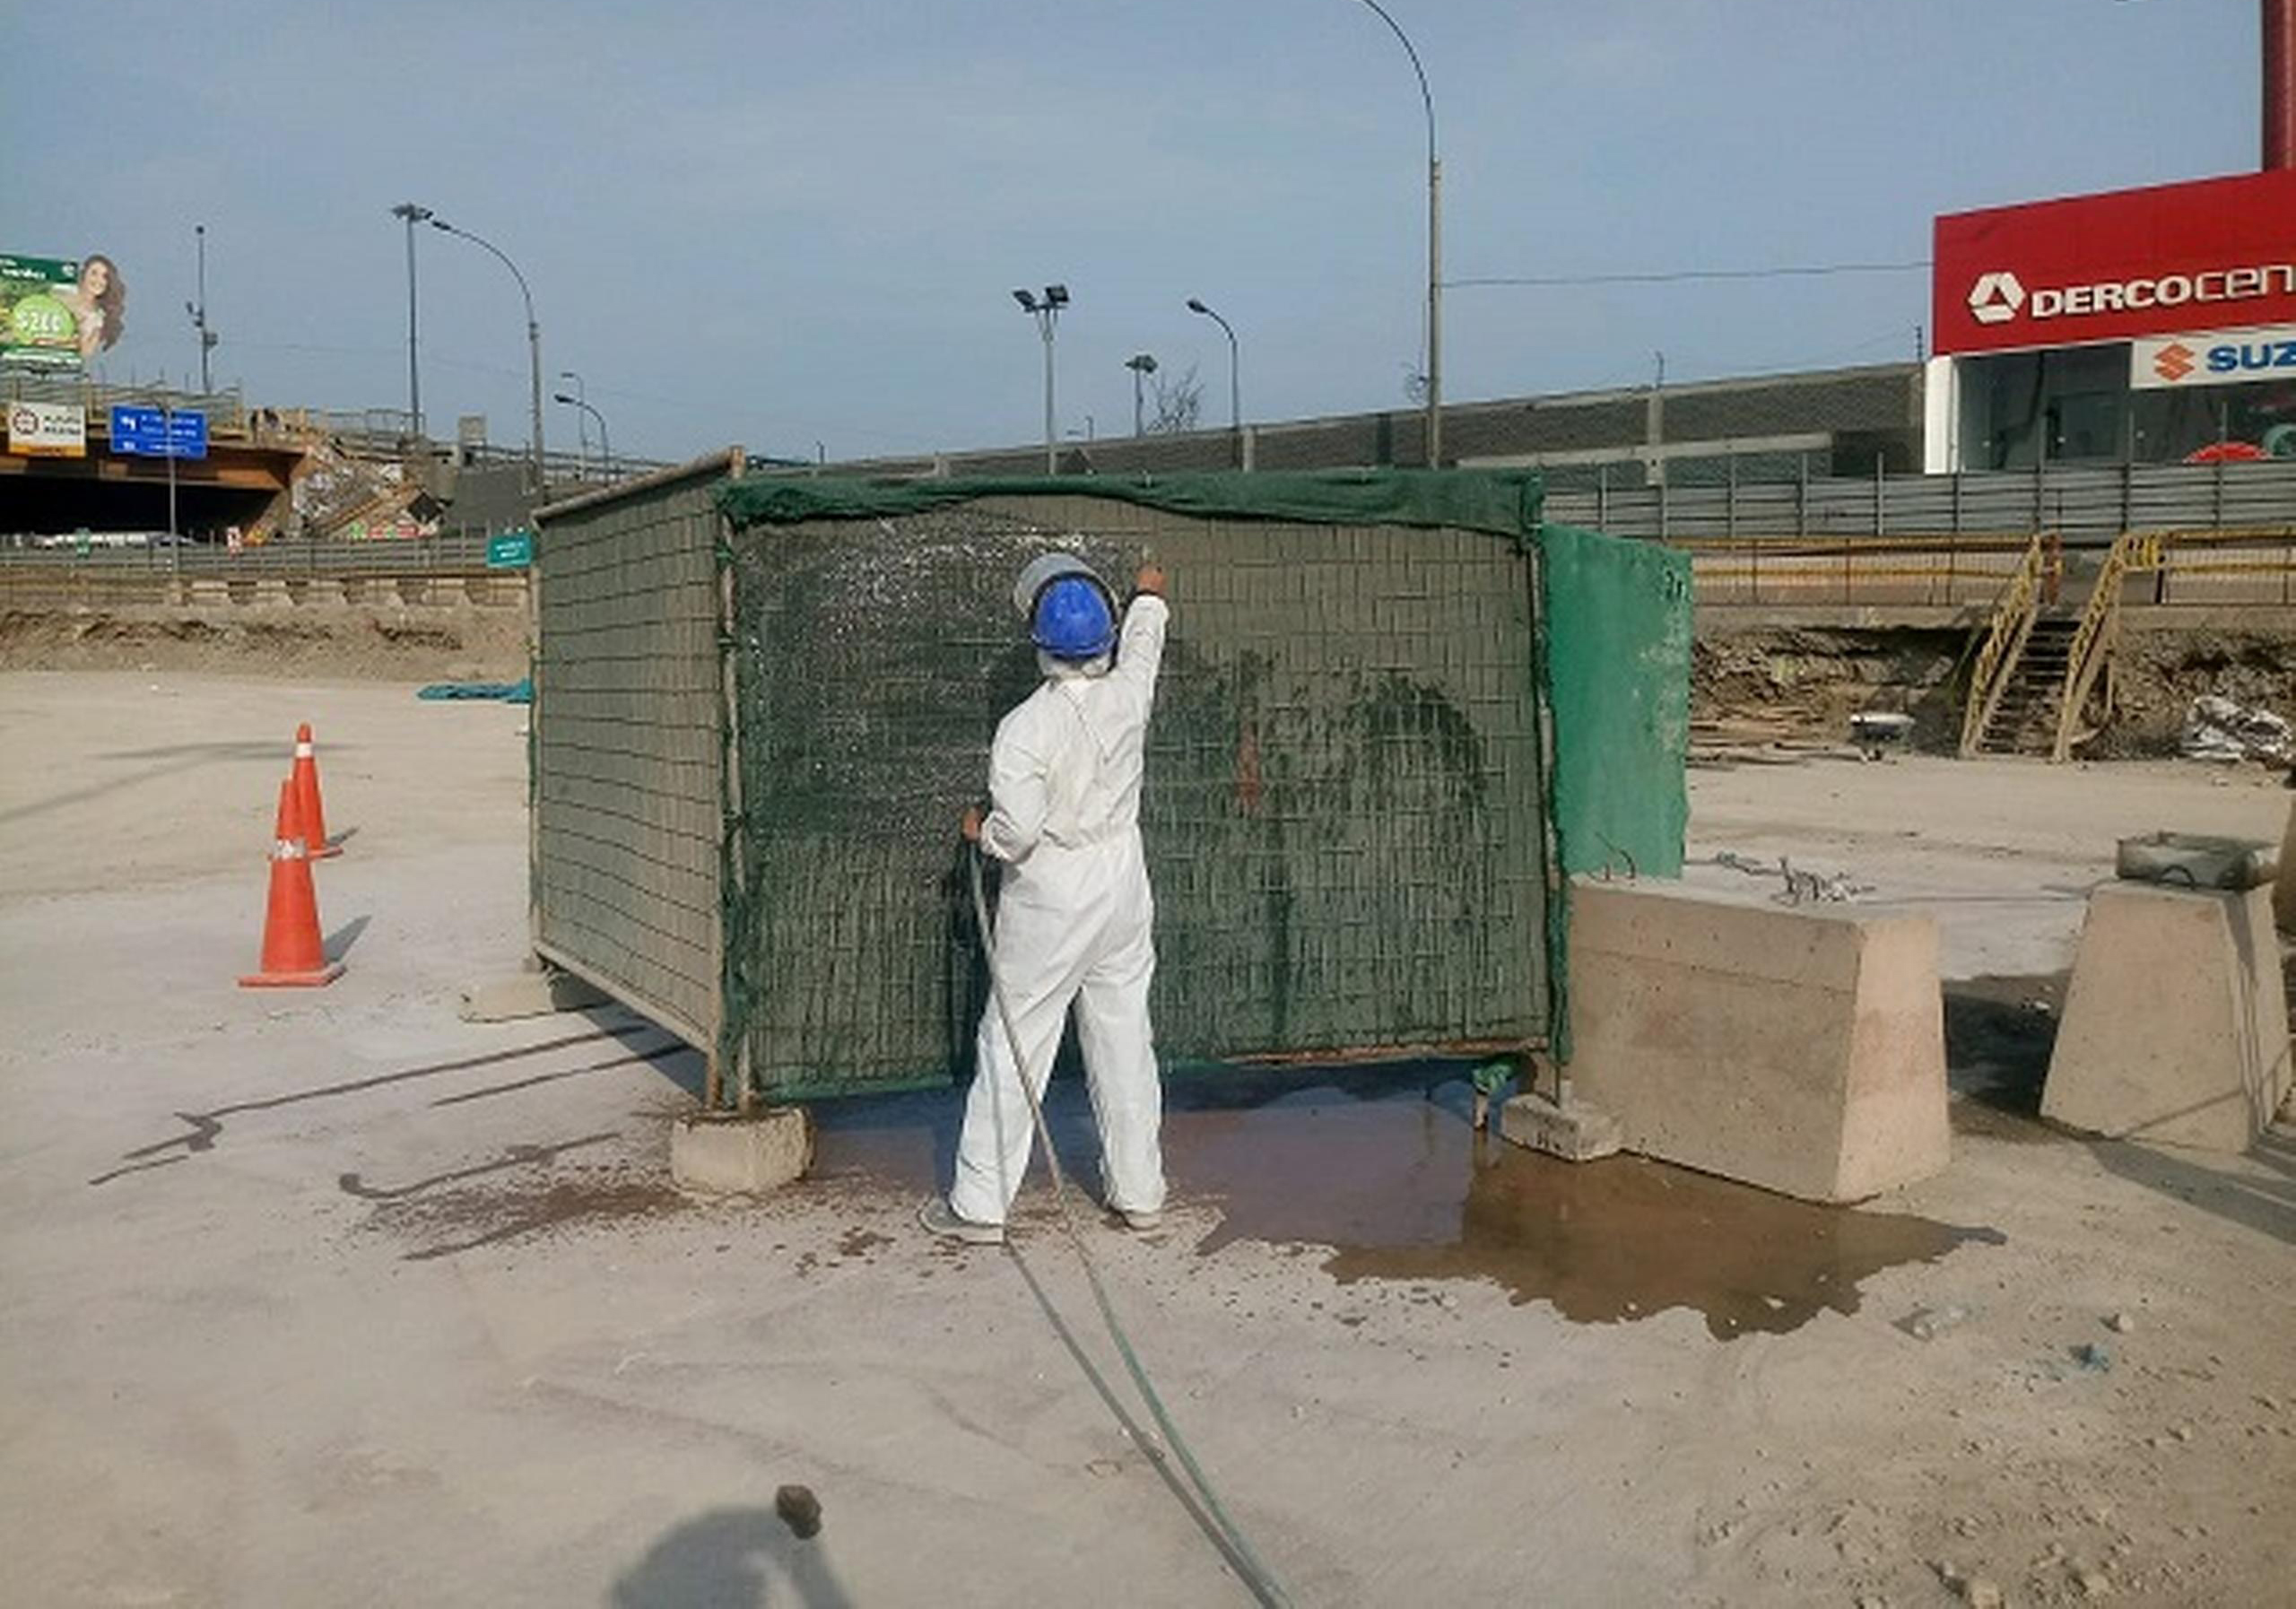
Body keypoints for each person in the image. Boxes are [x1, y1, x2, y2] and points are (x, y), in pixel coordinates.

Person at [920, 554, 1171, 1246]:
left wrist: (985, 832)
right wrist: (1147, 595)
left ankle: (979, 1206)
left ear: (1039, 642)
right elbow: (1146, 642)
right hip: (1122, 877)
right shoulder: (1129, 693)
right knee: (1124, 1039)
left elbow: (1020, 831)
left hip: (1055, 893)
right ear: (1106, 636)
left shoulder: (1025, 729)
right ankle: (1142, 1193)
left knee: (1014, 1042)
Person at [56, 255, 126, 360]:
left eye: (104, 277)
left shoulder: (97, 318)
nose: (98, 280)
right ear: (84, 274)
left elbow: (85, 353)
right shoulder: (63, 291)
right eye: (94, 273)